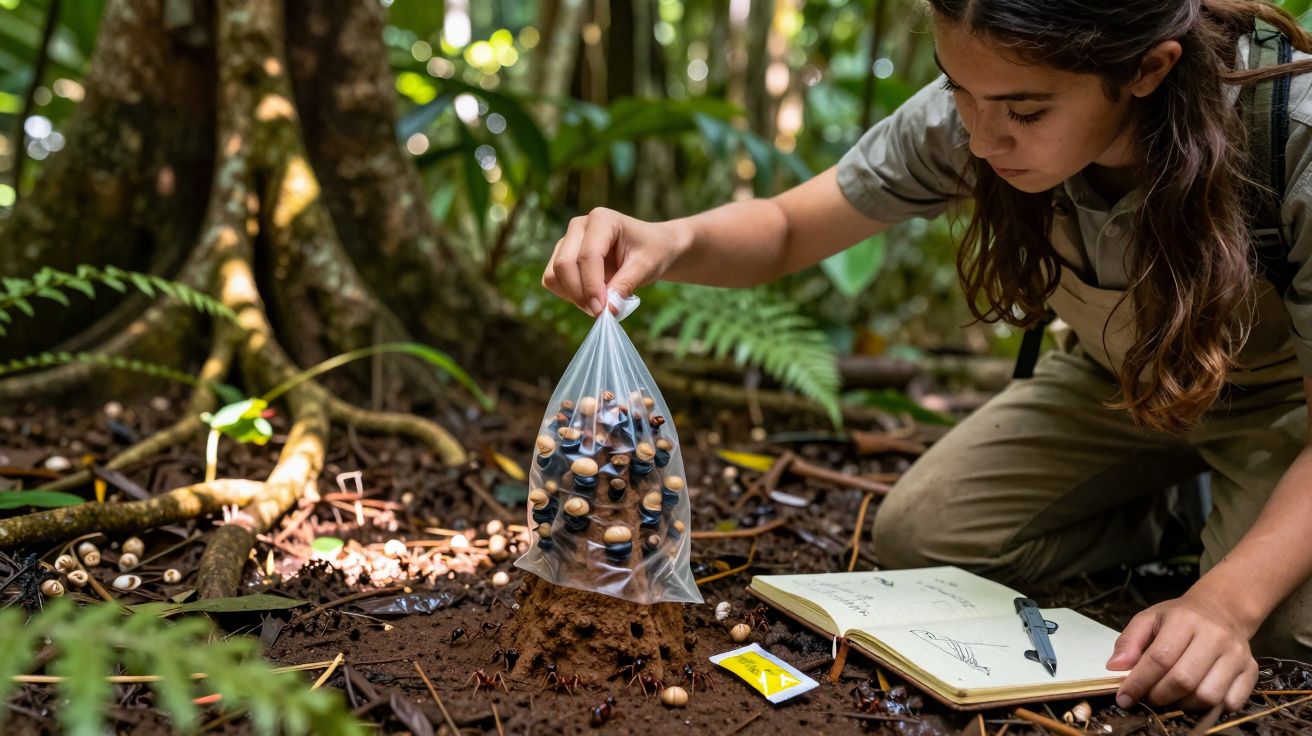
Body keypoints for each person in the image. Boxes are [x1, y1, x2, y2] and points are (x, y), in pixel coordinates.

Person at [542, 0, 1312, 713]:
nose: (980, 139)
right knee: (927, 535)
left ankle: (1232, 530)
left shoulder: (1291, 137)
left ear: (1147, 68)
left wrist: (1225, 603)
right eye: (959, 92)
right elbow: (787, 228)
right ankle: (1168, 513)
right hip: (1118, 383)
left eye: (1025, 111)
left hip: (1283, 409)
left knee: (1279, 630)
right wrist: (667, 240)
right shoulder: (976, 106)